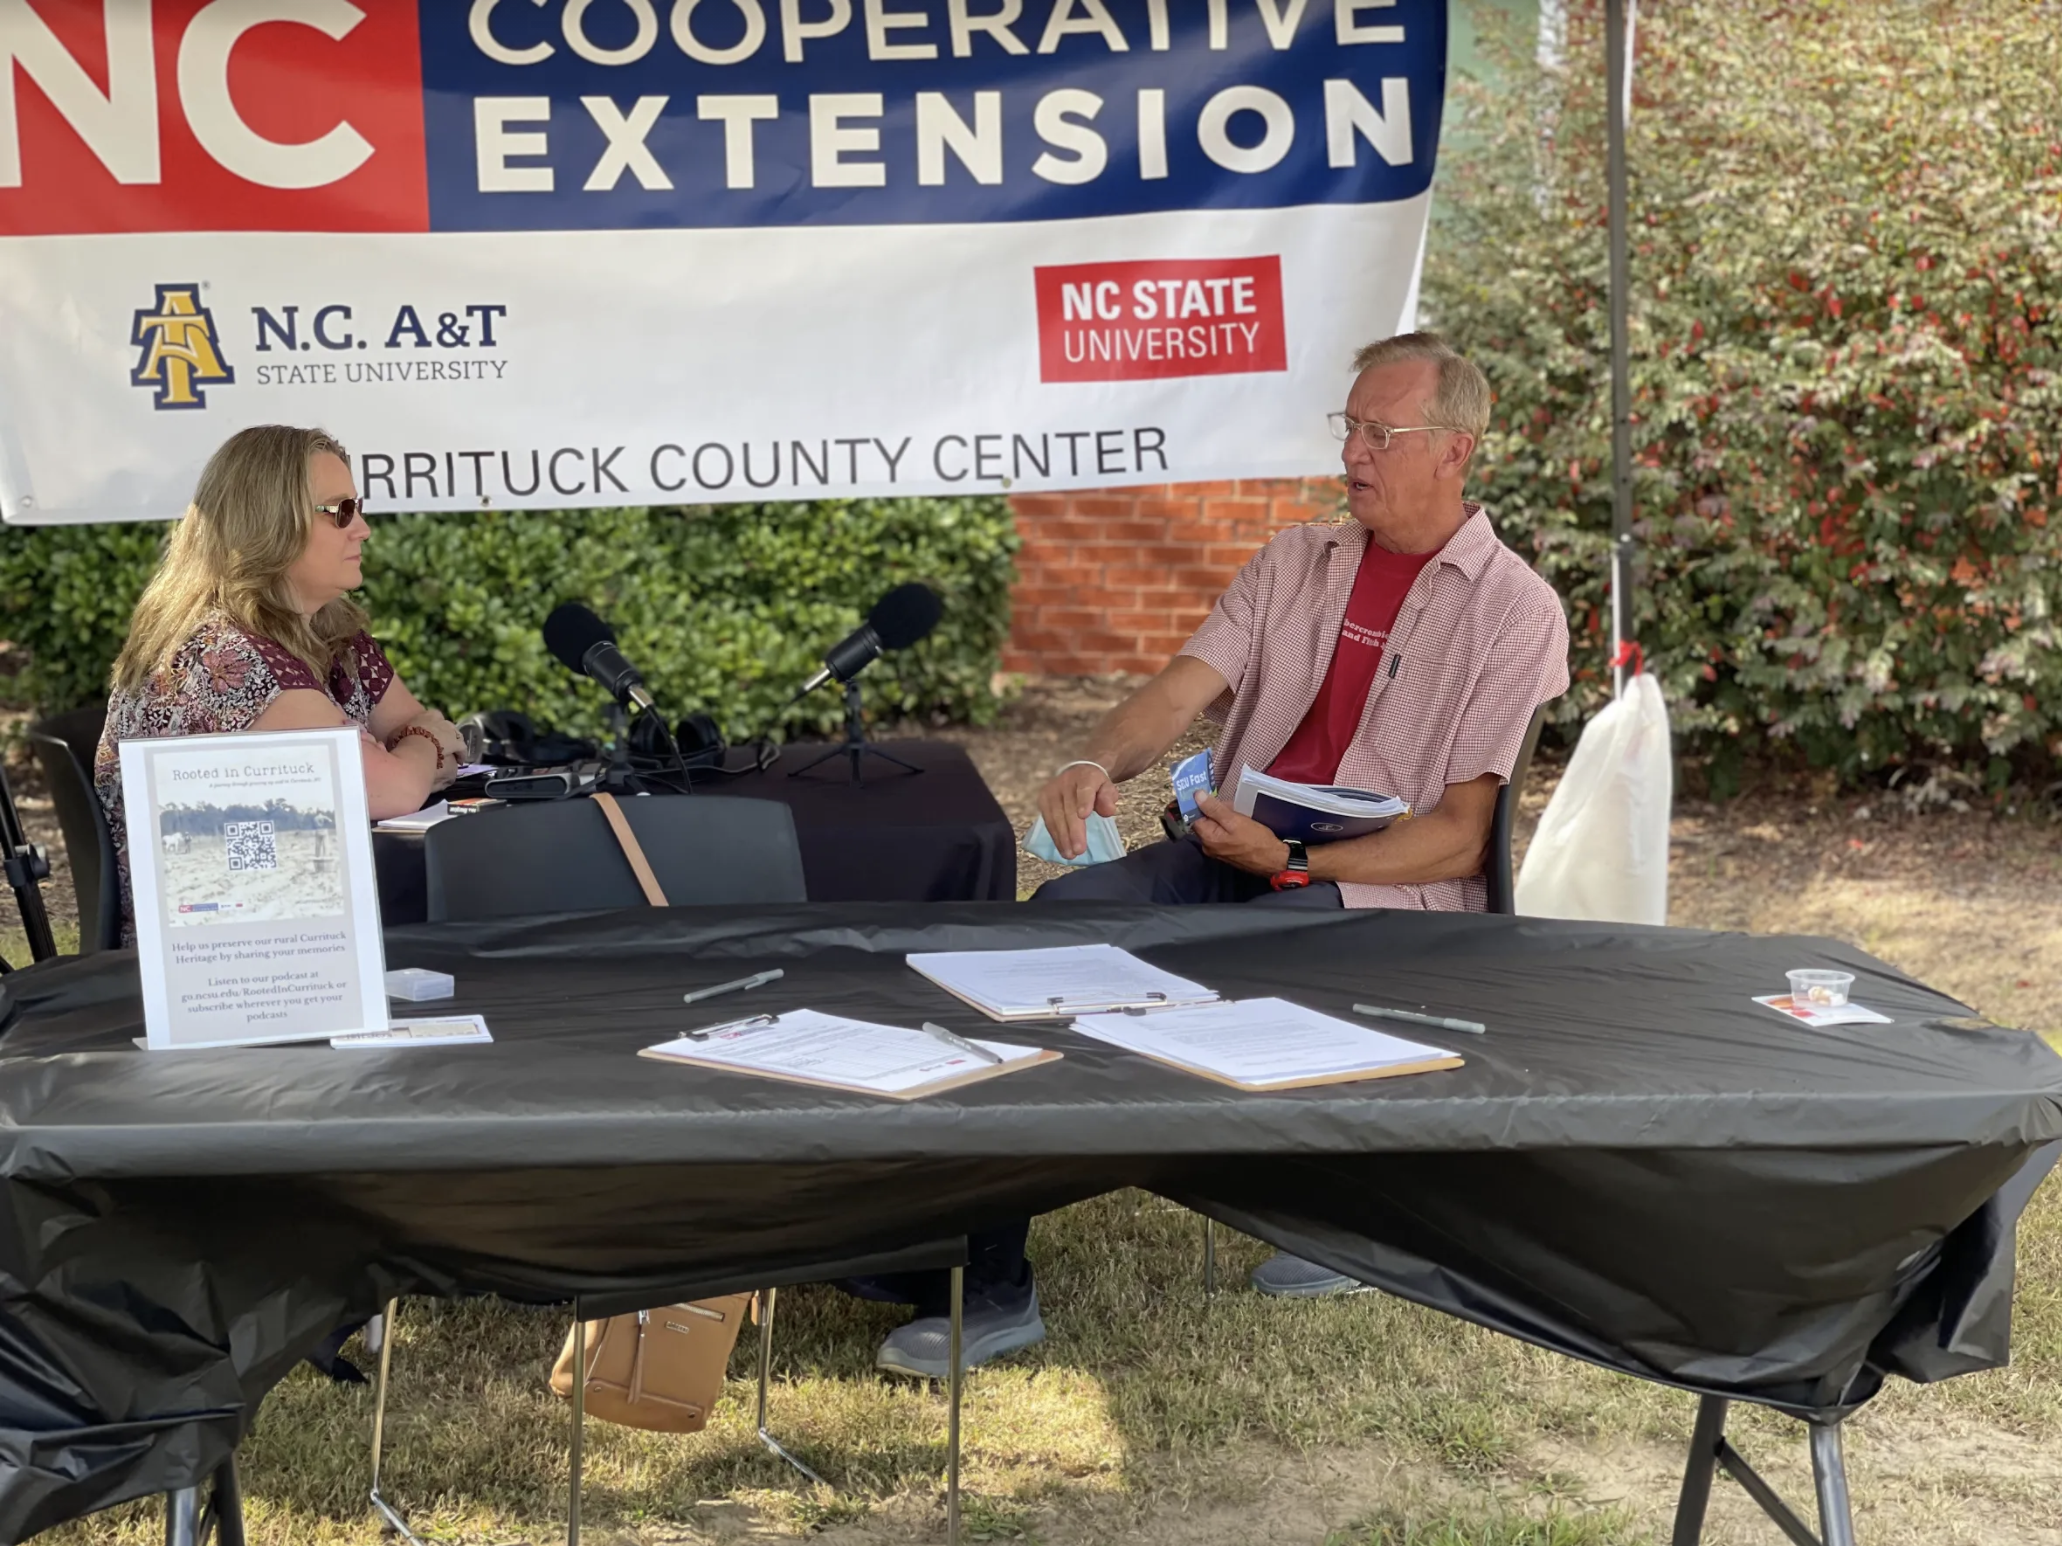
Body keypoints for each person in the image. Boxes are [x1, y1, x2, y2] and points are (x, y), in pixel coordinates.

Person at [1003, 332, 1570, 1306]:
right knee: (1055, 927)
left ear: (1453, 450)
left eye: (1379, 433)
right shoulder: (1294, 560)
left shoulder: (1516, 611)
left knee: (1240, 956)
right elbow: (1178, 691)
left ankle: (1343, 1208)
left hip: (1380, 895)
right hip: (1239, 853)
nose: (1351, 454)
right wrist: (1094, 758)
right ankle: (983, 1273)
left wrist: (1296, 857)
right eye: (1347, 427)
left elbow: (1464, 835)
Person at [96, 425, 467, 943]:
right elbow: (401, 784)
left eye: (356, 507)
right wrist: (420, 747)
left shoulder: (331, 629)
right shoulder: (225, 653)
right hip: (226, 956)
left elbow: (417, 738)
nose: (362, 529)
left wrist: (409, 748)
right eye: (340, 511)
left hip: (297, 917)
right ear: (271, 524)